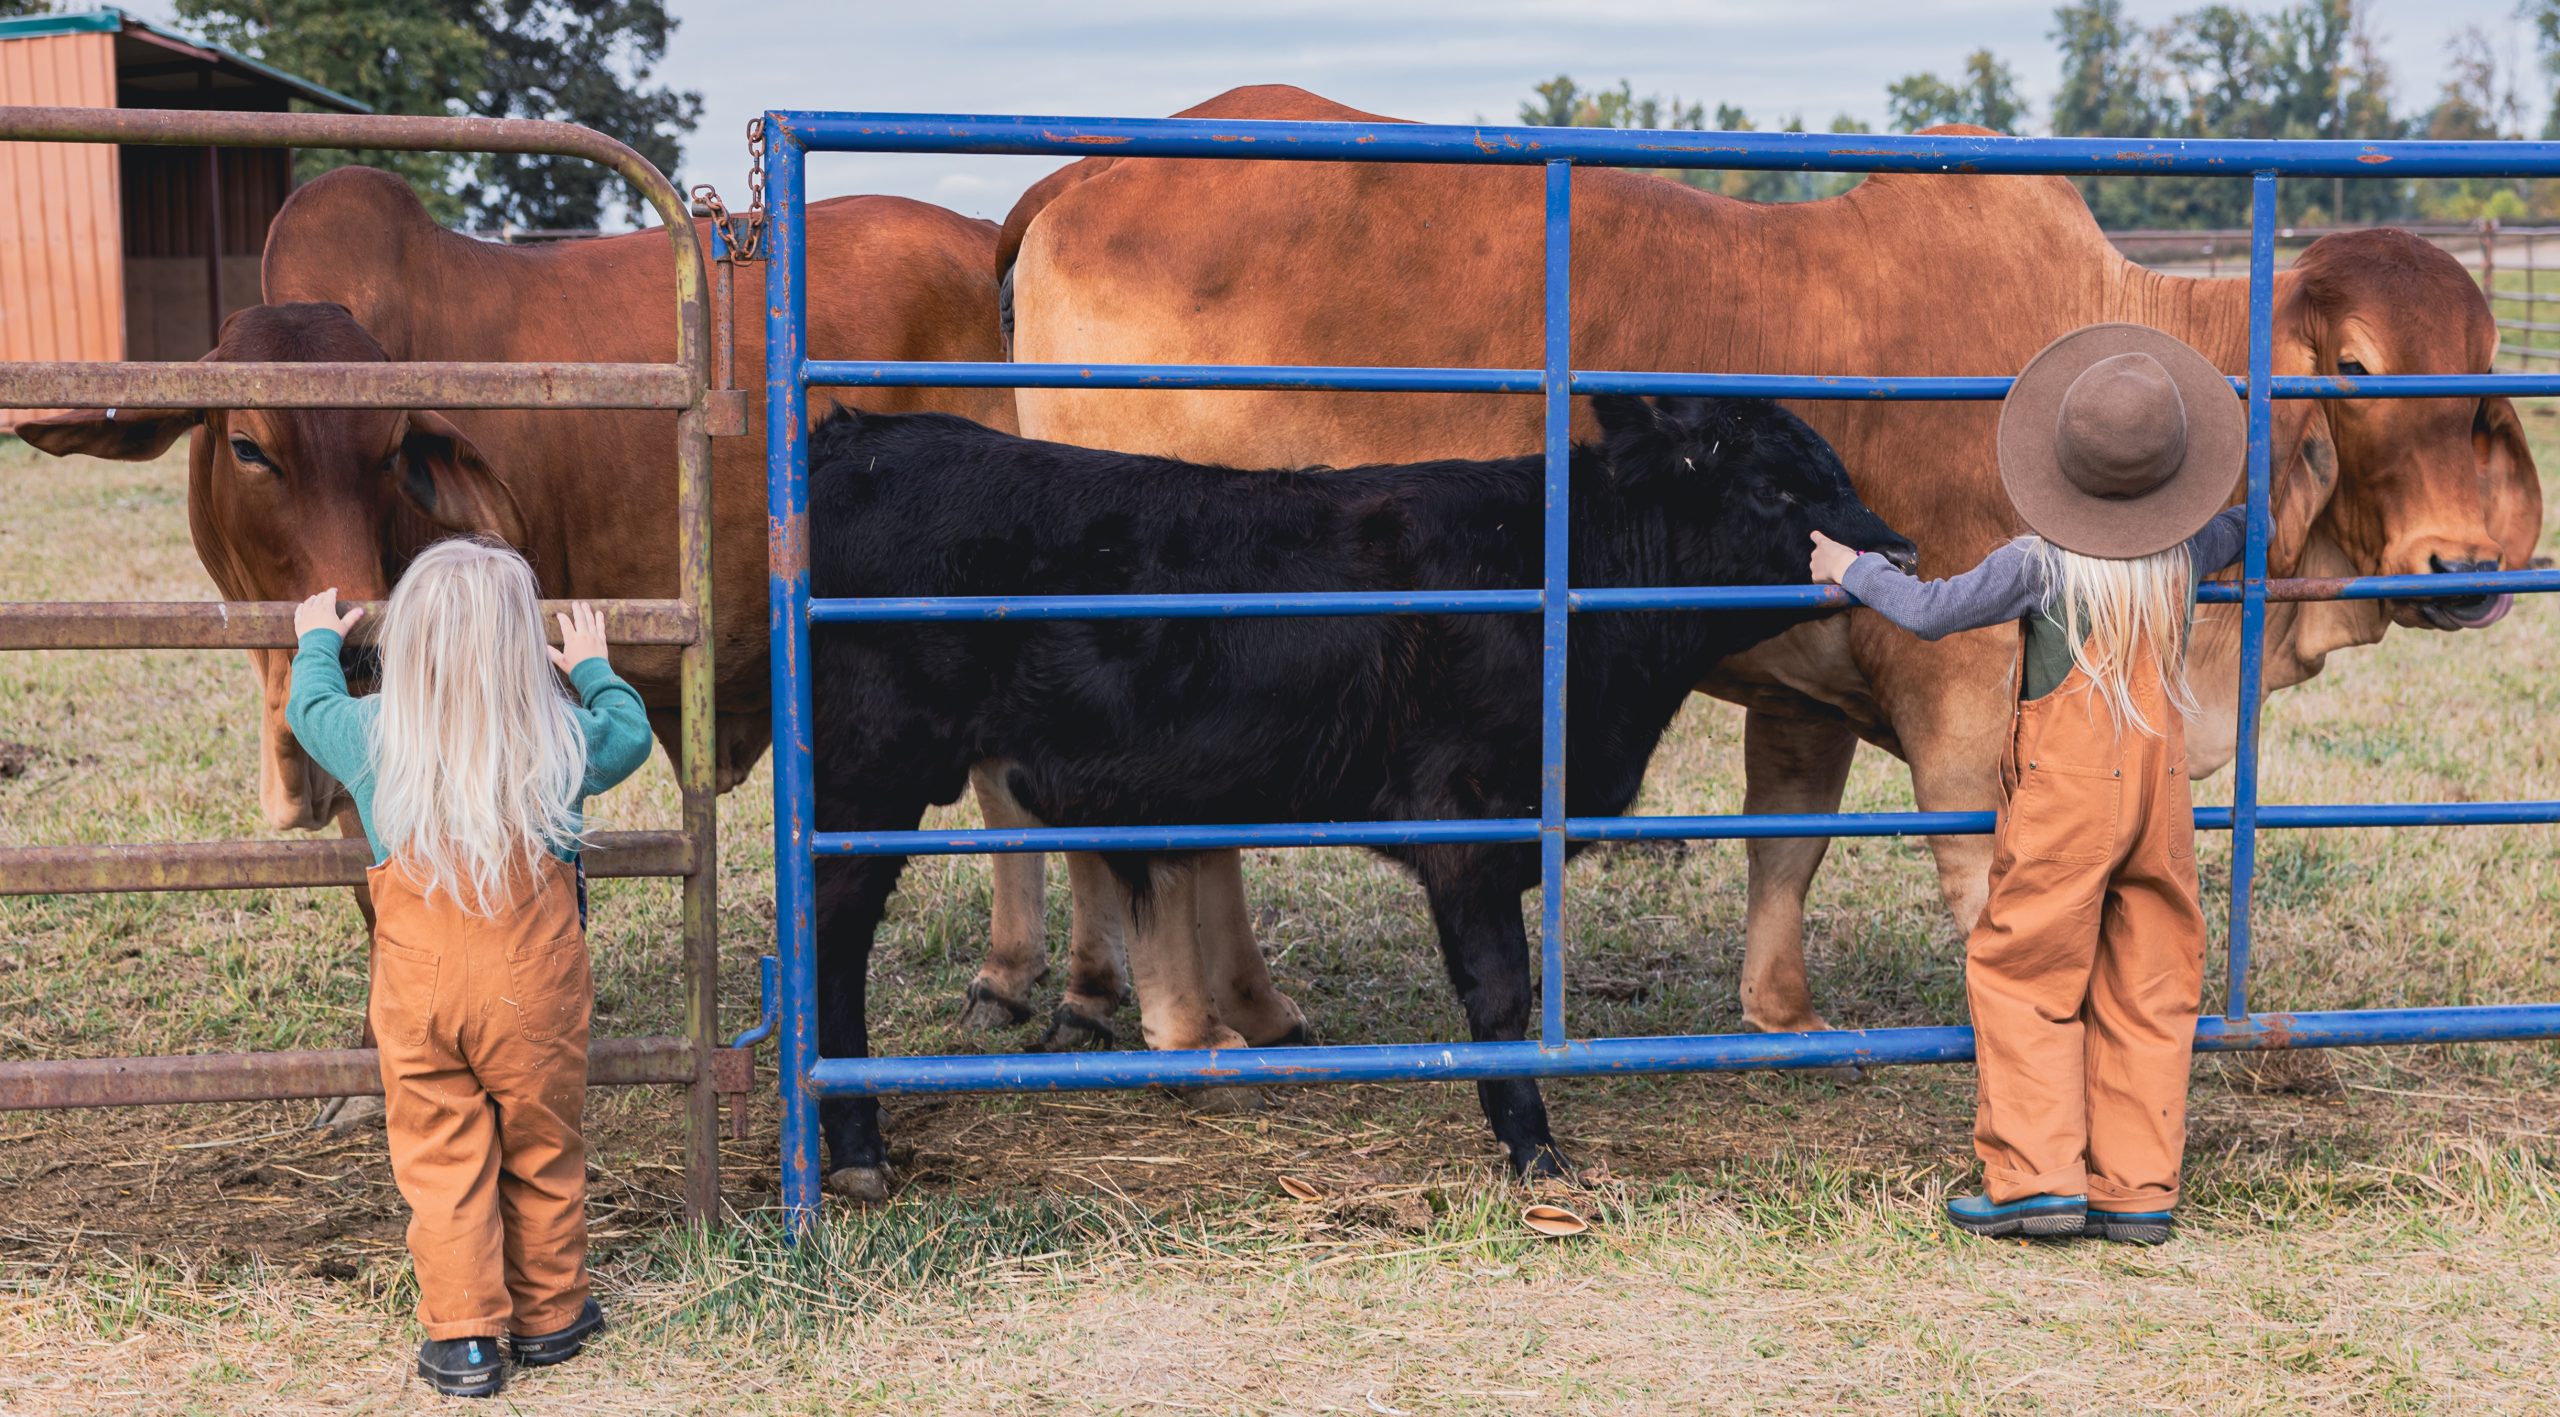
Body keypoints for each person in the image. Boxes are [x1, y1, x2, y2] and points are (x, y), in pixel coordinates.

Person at [1809, 323, 2249, 1246]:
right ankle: (2137, 1189)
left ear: (2060, 465)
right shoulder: (2190, 552)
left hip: (2067, 801)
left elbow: (1930, 611)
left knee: (2023, 969)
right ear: (2170, 475)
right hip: (2161, 798)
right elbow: (2257, 523)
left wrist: (1853, 569)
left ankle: (2038, 1177)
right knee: (2151, 977)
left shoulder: (2035, 564)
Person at [288, 538, 653, 1396]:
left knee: (440, 1153)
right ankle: (554, 1314)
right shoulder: (559, 734)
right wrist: (594, 668)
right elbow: (631, 735)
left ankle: (465, 1341)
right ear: (521, 650)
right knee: (542, 1142)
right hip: (534, 979)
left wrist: (314, 641)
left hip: (415, 982)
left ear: (407, 643)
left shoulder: (375, 733)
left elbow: (310, 710)